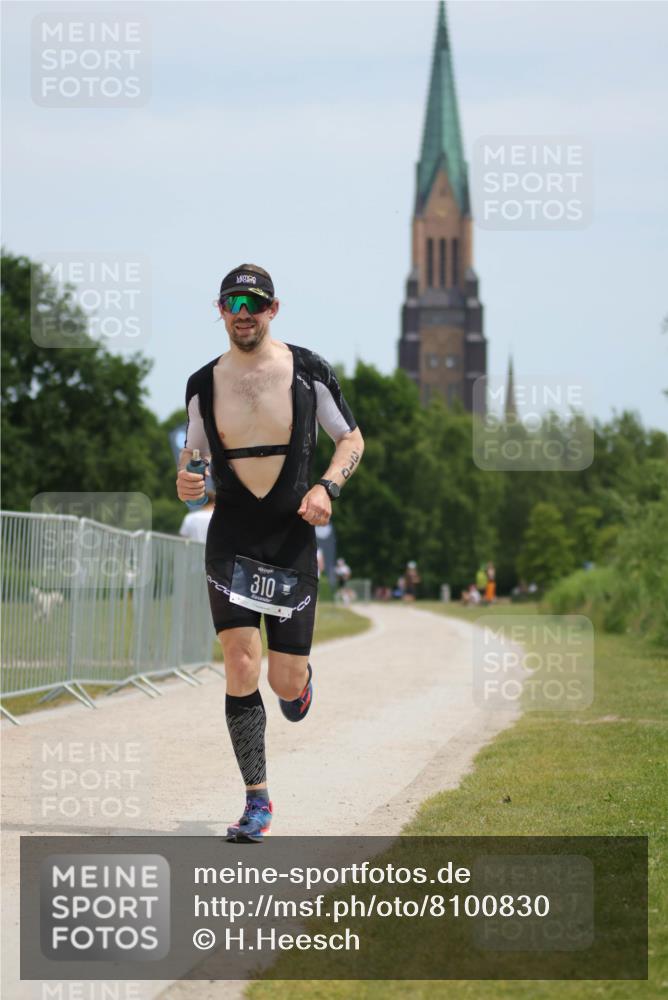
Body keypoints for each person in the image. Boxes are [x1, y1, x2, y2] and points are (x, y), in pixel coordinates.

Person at [176, 263, 364, 843]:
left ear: (273, 310)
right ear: (220, 310)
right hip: (232, 534)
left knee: (282, 682)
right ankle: (256, 800)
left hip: (290, 534)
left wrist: (326, 487)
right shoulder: (202, 384)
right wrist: (186, 480)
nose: (243, 313)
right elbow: (193, 458)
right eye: (232, 303)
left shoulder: (308, 371)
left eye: (253, 304)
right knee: (238, 662)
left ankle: (300, 683)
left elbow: (350, 440)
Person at [178, 475, 216, 544]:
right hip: (213, 553)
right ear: (214, 503)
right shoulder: (218, 518)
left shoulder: (190, 517)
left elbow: (183, 537)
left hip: (194, 552)